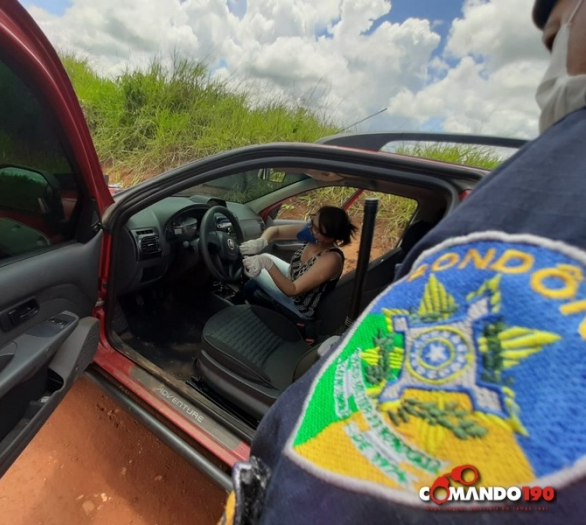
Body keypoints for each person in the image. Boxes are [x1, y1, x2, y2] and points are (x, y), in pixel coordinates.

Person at [221, 1, 586, 523]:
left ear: (329, 234)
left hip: (299, 321)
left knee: (252, 277)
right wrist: (264, 241)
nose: (550, 39)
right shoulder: (312, 238)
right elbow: (281, 229)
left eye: (555, 35)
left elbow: (297, 292)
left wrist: (262, 267)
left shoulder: (331, 259)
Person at [238, 206, 357, 321]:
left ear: (331, 237)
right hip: (293, 277)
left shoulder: (331, 259)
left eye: (318, 230)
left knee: (255, 269)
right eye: (312, 223)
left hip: (299, 304)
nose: (312, 230)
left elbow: (292, 290)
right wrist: (261, 241)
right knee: (263, 257)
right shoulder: (313, 235)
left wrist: (267, 264)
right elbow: (277, 231)